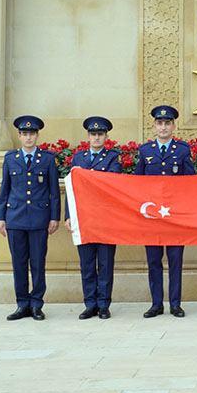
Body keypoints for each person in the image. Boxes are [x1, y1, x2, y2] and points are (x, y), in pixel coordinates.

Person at [0, 115, 60, 321]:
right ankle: (22, 304)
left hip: (39, 219)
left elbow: (54, 192)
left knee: (38, 264)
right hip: (15, 218)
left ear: (37, 135)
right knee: (19, 263)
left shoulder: (47, 159)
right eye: (25, 134)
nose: (28, 138)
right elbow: (4, 190)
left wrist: (54, 217)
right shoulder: (10, 159)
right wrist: (0, 217)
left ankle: (36, 304)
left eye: (32, 134)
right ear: (19, 136)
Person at [136, 105, 195, 318]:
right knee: (153, 261)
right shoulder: (145, 151)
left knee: (175, 261)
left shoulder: (182, 150)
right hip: (151, 218)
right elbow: (137, 185)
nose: (163, 127)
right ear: (154, 126)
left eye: (167, 123)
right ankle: (156, 303)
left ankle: (176, 304)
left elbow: (190, 183)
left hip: (174, 217)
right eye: (159, 123)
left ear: (173, 125)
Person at [64, 116, 121, 320]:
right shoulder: (78, 158)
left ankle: (104, 304)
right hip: (84, 218)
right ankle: (90, 303)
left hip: (105, 218)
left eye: (100, 134)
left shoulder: (113, 158)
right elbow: (71, 189)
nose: (96, 138)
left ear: (106, 136)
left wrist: (86, 175)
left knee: (105, 264)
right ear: (88, 136)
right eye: (93, 134)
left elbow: (112, 184)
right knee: (87, 264)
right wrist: (68, 215)